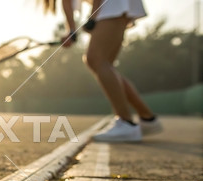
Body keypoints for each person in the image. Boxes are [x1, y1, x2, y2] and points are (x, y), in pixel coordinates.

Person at [42, 0, 163, 142]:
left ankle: (126, 123)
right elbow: (67, 3)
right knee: (103, 65)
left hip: (112, 5)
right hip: (115, 6)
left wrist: (92, 19)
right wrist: (72, 31)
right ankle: (147, 118)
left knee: (95, 60)